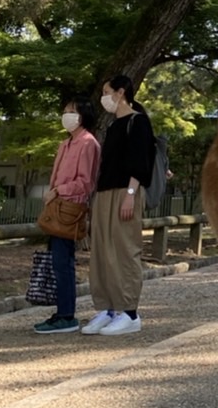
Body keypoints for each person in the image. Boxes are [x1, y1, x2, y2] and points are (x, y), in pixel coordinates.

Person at [82, 73, 155, 337]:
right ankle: (107, 308)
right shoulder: (114, 126)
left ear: (120, 92)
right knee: (101, 252)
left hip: (126, 191)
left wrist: (131, 194)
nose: (104, 98)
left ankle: (130, 312)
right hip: (105, 192)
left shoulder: (138, 122)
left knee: (124, 249)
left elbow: (141, 161)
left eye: (106, 92)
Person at [33, 95, 101, 335]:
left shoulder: (88, 143)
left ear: (82, 115)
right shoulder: (66, 143)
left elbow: (85, 183)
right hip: (56, 206)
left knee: (63, 263)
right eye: (65, 111)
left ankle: (66, 315)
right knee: (57, 261)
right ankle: (62, 311)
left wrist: (59, 191)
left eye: (71, 111)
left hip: (69, 209)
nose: (66, 116)